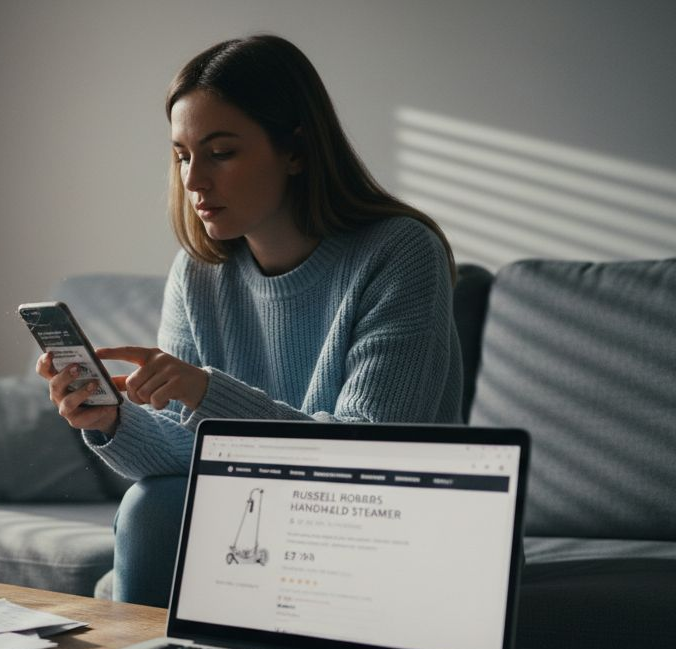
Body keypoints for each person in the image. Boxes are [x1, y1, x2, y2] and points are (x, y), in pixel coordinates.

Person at [36, 35, 463, 607]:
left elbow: (367, 462)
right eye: (182, 156)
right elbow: (181, 457)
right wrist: (112, 421)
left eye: (220, 152)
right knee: (152, 506)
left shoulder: (399, 253)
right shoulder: (197, 273)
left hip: (381, 528)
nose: (194, 181)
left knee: (154, 515)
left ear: (296, 150)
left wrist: (208, 393)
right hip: (259, 520)